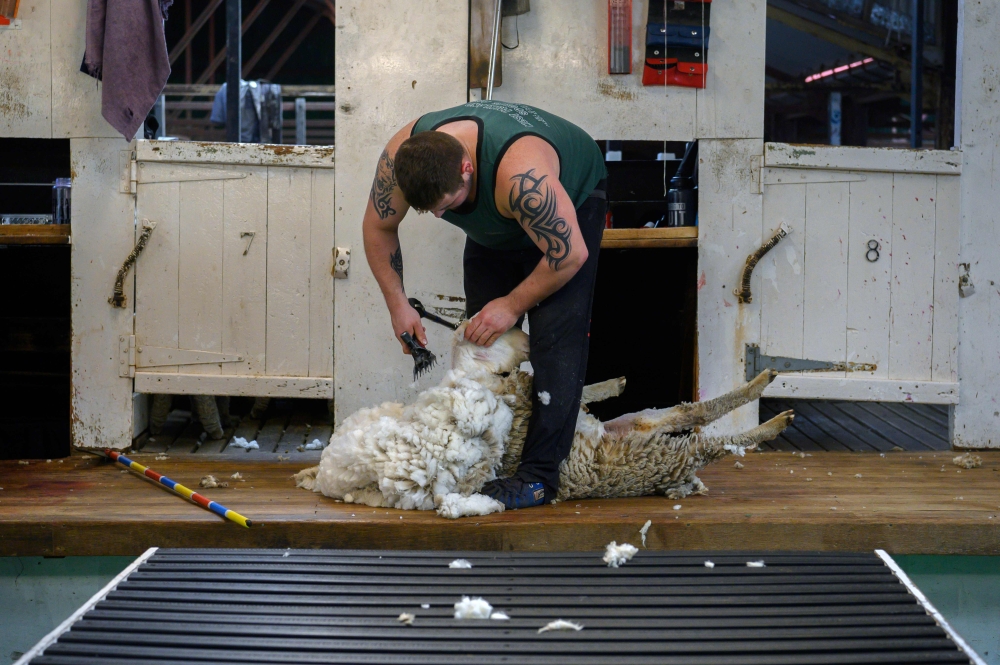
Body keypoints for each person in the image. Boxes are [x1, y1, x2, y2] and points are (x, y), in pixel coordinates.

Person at [362, 100, 608, 510]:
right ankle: (493, 456)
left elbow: (569, 256)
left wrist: (512, 305)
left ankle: (539, 476)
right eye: (429, 210)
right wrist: (398, 305)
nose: (439, 217)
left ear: (466, 168)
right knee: (483, 343)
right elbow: (378, 225)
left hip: (571, 202)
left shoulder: (523, 178)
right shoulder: (399, 157)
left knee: (555, 341)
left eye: (447, 204)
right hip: (497, 212)